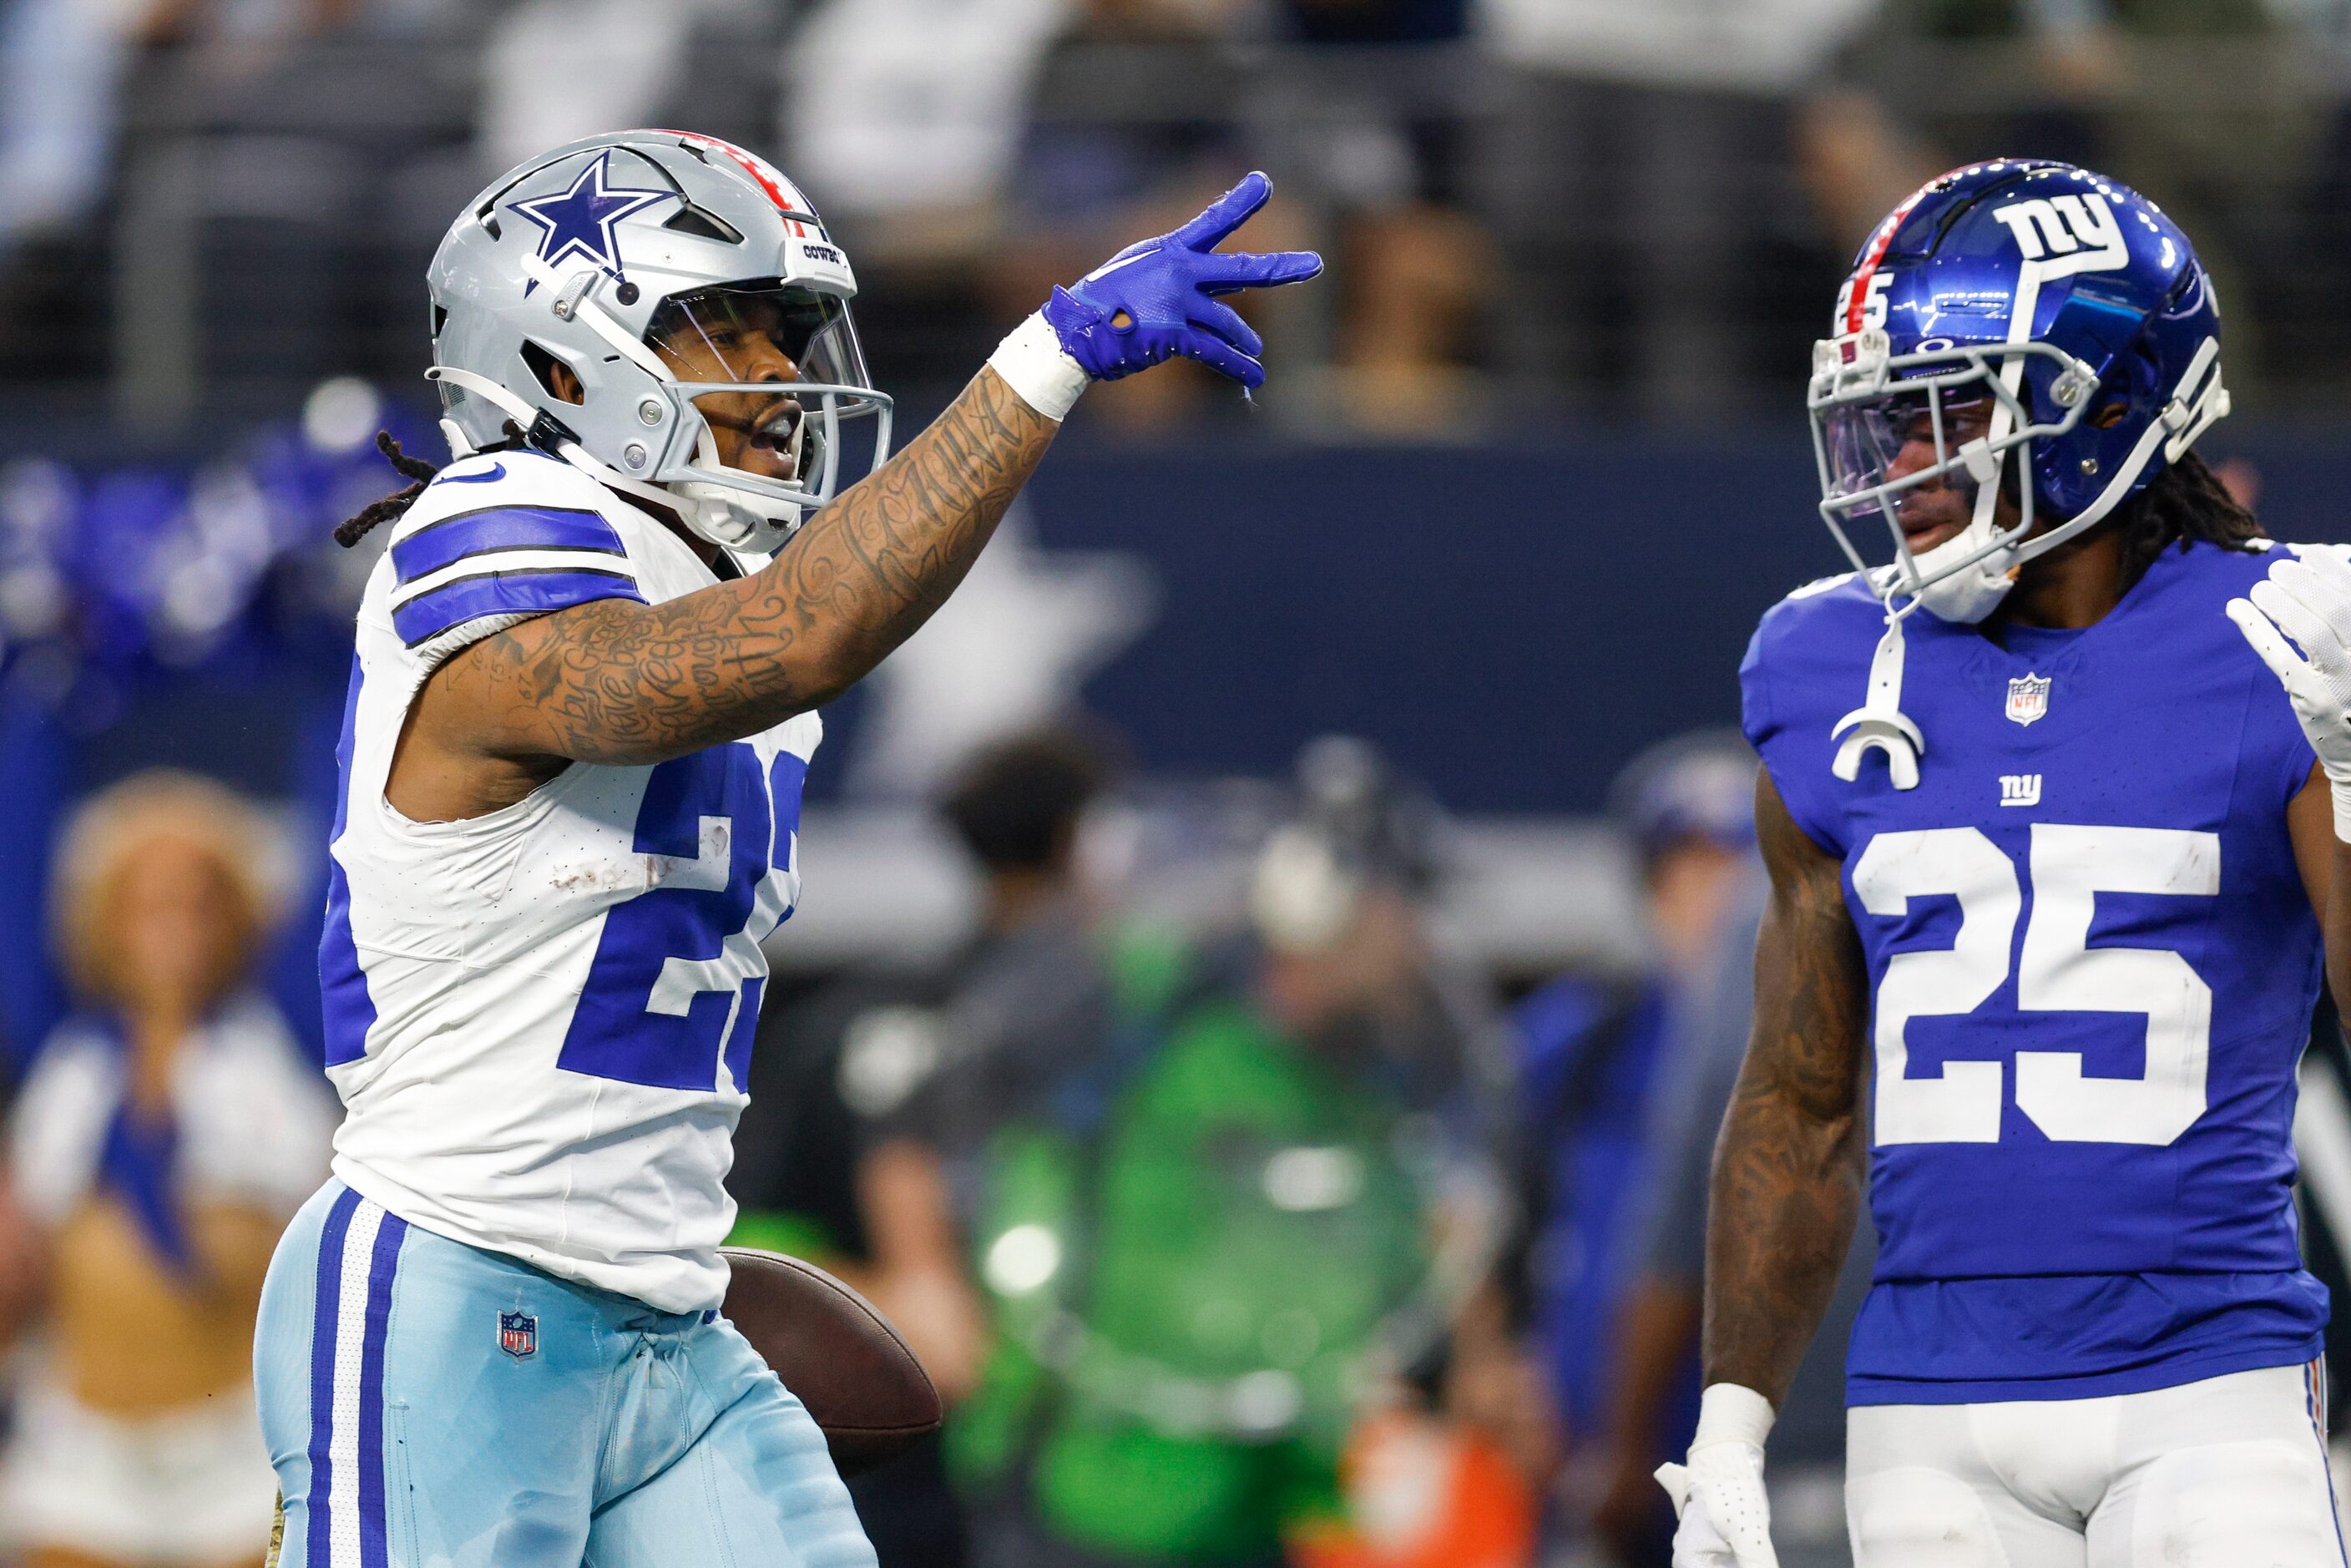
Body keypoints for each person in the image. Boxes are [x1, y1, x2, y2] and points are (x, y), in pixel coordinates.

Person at [249, 129, 1320, 1568]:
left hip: (666, 1324)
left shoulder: (719, 567)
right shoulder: (494, 526)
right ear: (563, 362)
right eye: (723, 327)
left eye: (788, 328)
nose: (777, 371)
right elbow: (792, 636)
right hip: (450, 1287)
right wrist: (1043, 361)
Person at [1659, 158, 2347, 1568]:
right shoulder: (1825, 659)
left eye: (1948, 413)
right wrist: (1731, 1416)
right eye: (1882, 422)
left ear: (2101, 398)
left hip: (2206, 1381)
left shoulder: (2289, 635)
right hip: (1928, 1404)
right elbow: (1797, 1094)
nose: (1900, 468)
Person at [0, 771, 337, 1568]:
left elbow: (315, 1244)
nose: (172, 927)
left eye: (197, 902)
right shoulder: (72, 1075)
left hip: (231, 1453)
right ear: (103, 922)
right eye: (147, 904)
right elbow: (30, 1250)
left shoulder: (265, 1066)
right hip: (83, 1445)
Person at [1512, 731, 1757, 1560]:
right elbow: (1469, 1193)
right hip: (1590, 1481)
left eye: (1737, 873)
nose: (1712, 902)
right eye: (1687, 873)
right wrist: (1489, 1358)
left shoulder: (1832, 1050)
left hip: (1761, 1482)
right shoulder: (1584, 1041)